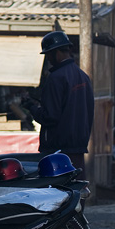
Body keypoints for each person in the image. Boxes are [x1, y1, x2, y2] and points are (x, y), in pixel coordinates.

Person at [25, 30, 95, 179]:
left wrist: (31, 107)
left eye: (49, 54)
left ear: (57, 52)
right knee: (77, 191)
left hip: (58, 152)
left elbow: (50, 117)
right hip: (77, 148)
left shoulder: (56, 78)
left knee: (58, 195)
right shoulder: (83, 76)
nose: (48, 59)